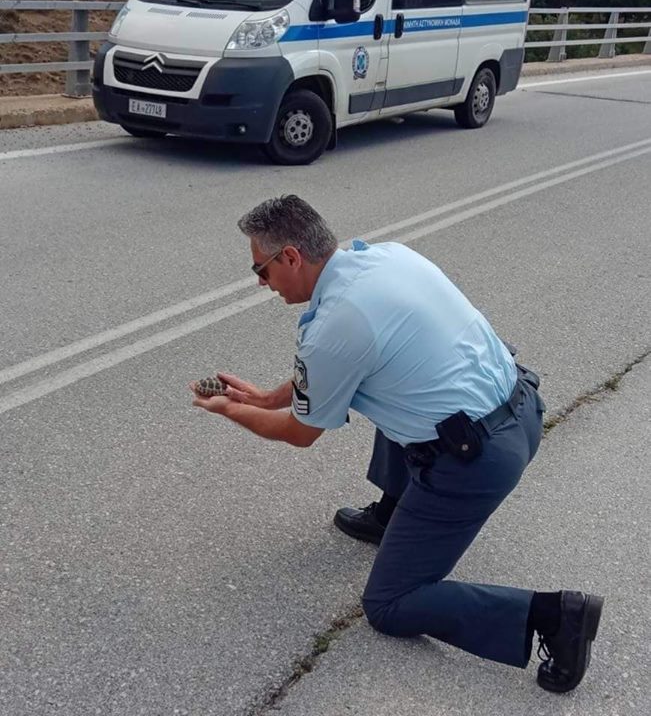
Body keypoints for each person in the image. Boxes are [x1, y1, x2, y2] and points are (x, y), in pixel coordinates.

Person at [191, 195, 603, 694]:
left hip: (477, 462)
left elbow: (301, 432)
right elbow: (333, 374)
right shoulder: (386, 257)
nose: (261, 282)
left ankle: (556, 617)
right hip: (524, 407)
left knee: (389, 604)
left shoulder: (336, 325)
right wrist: (264, 397)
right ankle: (394, 515)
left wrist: (229, 409)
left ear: (292, 257)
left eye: (261, 269)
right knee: (393, 379)